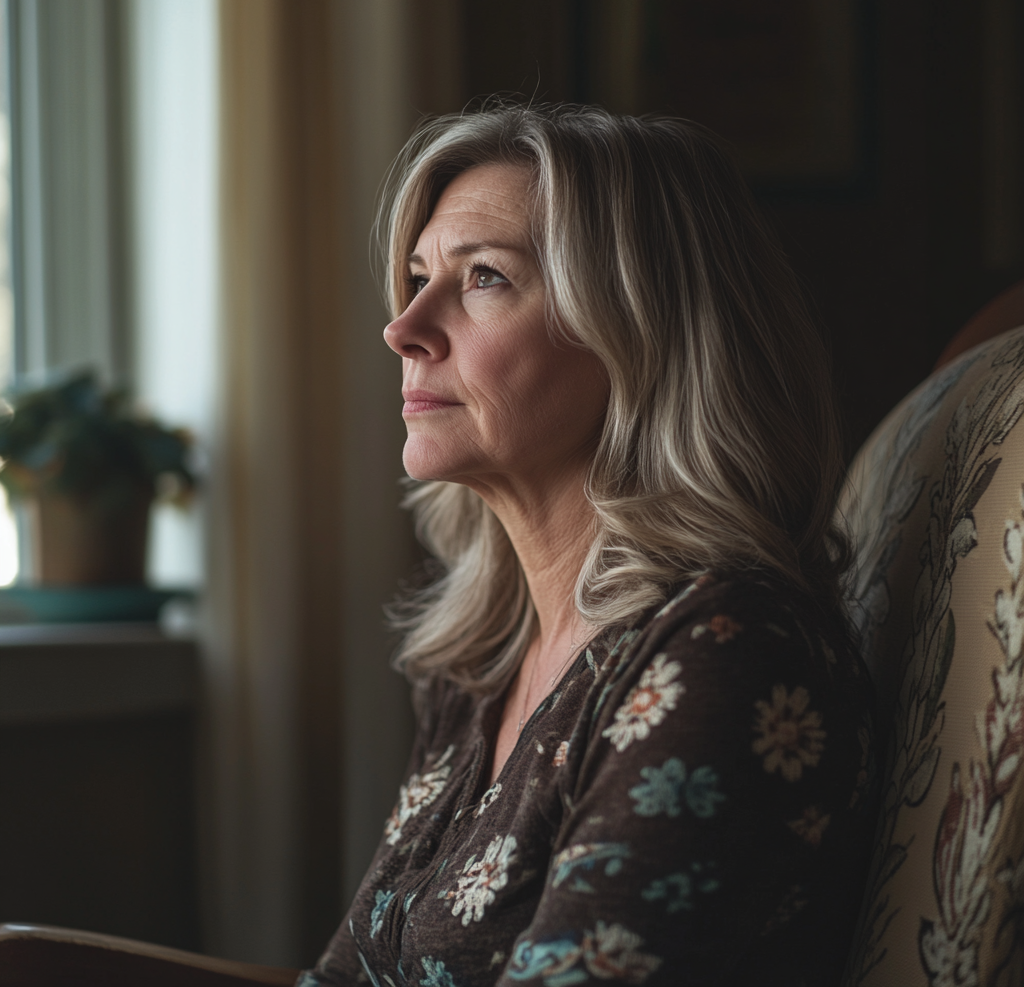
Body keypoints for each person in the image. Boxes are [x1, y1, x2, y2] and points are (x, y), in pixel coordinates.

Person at [302, 104, 876, 987]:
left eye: (484, 276)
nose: (404, 326)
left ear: (644, 331)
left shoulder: (730, 653)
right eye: (417, 276)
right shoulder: (480, 664)